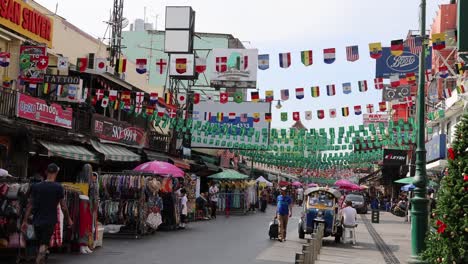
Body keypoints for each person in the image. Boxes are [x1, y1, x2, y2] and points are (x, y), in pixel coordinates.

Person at [21, 163, 73, 264]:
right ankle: (39, 260)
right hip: (49, 221)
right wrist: (68, 219)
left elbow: (30, 205)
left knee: (41, 244)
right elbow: (63, 207)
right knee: (44, 245)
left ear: (46, 172)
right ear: (56, 173)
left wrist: (24, 221)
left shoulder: (36, 186)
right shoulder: (58, 187)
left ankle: (40, 259)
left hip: (37, 221)